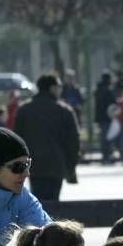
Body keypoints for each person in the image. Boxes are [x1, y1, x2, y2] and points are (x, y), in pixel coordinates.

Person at [14, 73, 80, 201]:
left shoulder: (24, 110)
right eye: (59, 87)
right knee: (54, 201)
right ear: (52, 88)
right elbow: (73, 141)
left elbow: (16, 139)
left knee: (38, 201)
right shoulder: (65, 111)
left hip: (33, 165)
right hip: (57, 164)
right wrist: (71, 166)